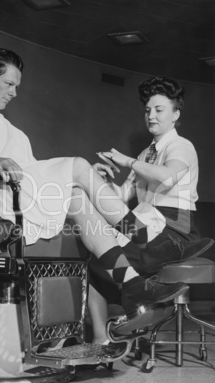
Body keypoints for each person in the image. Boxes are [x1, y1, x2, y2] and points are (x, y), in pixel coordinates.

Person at [0, 48, 212, 356]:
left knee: (77, 197)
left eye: (17, 86)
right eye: (9, 84)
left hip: (10, 197)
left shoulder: (7, 127)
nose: (15, 93)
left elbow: (29, 169)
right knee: (76, 166)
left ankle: (132, 285)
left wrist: (83, 182)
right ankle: (141, 236)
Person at [89, 75, 214, 344]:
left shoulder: (182, 146)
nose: (151, 116)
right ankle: (102, 339)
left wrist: (129, 162)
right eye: (148, 110)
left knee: (109, 257)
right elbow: (121, 197)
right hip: (145, 222)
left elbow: (167, 177)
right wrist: (102, 180)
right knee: (96, 258)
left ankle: (141, 306)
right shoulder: (146, 154)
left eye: (159, 110)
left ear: (175, 114)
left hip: (174, 228)